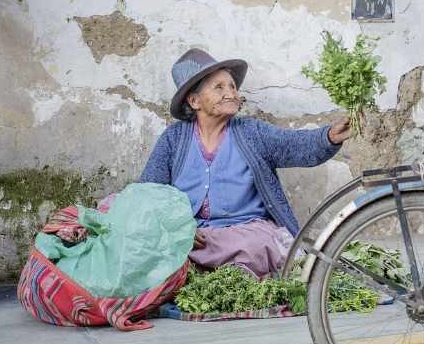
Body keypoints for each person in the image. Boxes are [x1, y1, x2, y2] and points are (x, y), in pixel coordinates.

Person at [139, 47, 354, 277]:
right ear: (194, 101)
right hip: (191, 238)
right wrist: (176, 228)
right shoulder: (174, 138)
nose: (231, 93)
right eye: (219, 87)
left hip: (243, 234)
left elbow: (293, 145)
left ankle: (208, 274)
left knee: (254, 246)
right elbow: (149, 192)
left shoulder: (252, 132)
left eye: (232, 86)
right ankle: (199, 272)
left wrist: (328, 137)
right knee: (149, 244)